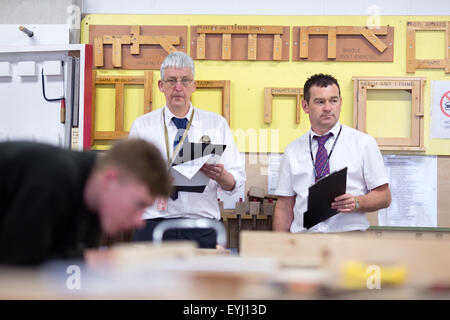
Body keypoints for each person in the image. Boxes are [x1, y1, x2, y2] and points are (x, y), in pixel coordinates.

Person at [129, 51, 245, 248]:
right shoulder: (142, 126)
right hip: (154, 225)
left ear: (194, 85)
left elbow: (235, 182)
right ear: (161, 86)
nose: (178, 87)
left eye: (185, 80)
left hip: (203, 227)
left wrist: (221, 175)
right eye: (171, 80)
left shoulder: (216, 124)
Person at [0, 139, 171, 265]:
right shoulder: (53, 179)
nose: (139, 222)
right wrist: (90, 260)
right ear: (110, 179)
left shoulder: (95, 199)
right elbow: (17, 269)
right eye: (139, 204)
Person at [273, 73, 391, 233]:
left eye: (333, 101)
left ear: (340, 103)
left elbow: (384, 196)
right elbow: (284, 205)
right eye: (320, 102)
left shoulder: (363, 143)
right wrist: (279, 248)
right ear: (305, 106)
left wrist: (357, 202)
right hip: (304, 241)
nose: (328, 108)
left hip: (349, 240)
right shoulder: (292, 150)